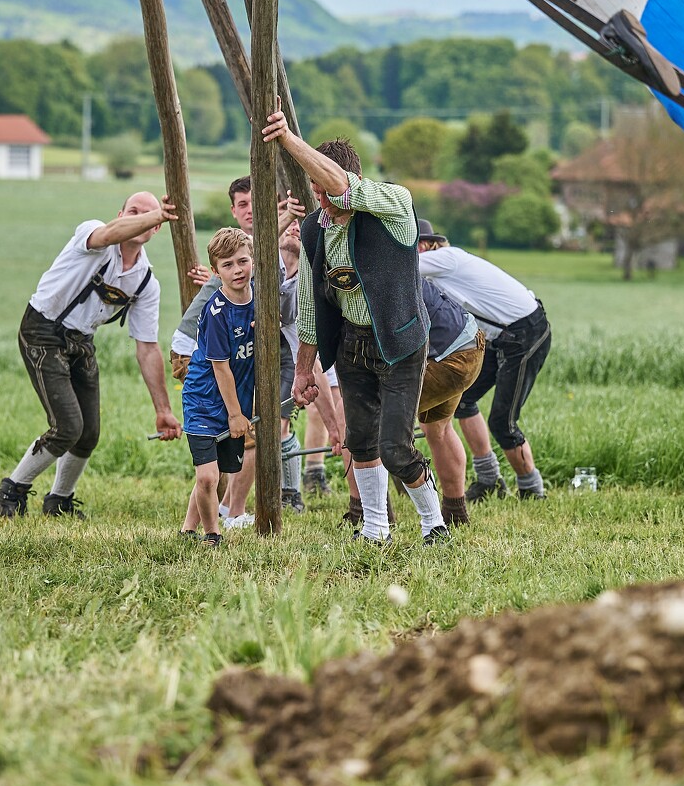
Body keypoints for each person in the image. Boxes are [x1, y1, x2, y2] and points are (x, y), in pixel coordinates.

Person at [265, 110, 450, 546]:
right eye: (314, 190)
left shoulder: (394, 204)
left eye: (323, 188)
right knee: (360, 443)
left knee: (395, 448)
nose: (320, 198)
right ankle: (375, 529)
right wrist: (305, 368)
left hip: (400, 342)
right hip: (352, 344)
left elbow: (342, 189)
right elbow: (310, 304)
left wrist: (289, 140)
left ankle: (433, 524)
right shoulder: (314, 229)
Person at [0, 192, 183, 517]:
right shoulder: (93, 233)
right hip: (43, 330)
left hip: (82, 339)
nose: (141, 218)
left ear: (157, 231)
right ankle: (11, 492)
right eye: (134, 211)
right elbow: (109, 234)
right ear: (119, 214)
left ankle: (59, 501)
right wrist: (156, 214)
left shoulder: (146, 282)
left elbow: (147, 348)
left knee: (89, 431)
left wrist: (163, 409)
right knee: (67, 426)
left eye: (150, 216)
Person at [170, 175, 308, 525]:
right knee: (239, 432)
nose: (249, 211)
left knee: (241, 434)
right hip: (198, 351)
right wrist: (289, 215)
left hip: (230, 352)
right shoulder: (241, 248)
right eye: (242, 205)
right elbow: (260, 240)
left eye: (255, 204)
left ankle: (211, 516)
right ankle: (232, 513)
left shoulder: (251, 255)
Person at [416, 219, 552, 500]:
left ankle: (531, 489)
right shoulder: (435, 276)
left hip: (526, 331)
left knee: (503, 422)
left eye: (414, 245)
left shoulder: (446, 259)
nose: (411, 250)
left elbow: (400, 266)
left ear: (429, 245)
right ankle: (490, 480)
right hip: (496, 337)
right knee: (463, 400)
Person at [179, 228, 257, 546]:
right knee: (207, 476)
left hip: (236, 398)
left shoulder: (262, 302)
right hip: (204, 398)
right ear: (215, 272)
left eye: (242, 261)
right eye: (227, 265)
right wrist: (236, 415)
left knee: (222, 472)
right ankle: (213, 535)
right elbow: (221, 367)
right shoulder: (216, 313)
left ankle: (187, 529)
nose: (237, 270)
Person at [415, 279, 486, 525]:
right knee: (439, 430)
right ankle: (455, 512)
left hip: (448, 358)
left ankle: (370, 515)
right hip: (470, 342)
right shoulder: (399, 259)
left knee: (372, 422)